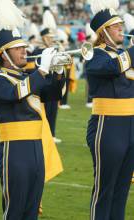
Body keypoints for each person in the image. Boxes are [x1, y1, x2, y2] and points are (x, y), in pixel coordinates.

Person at [0, 26, 65, 219]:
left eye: (24, 47)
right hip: (13, 150)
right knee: (15, 209)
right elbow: (16, 93)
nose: (24, 51)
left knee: (31, 210)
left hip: (36, 149)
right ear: (4, 55)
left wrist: (57, 72)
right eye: (18, 48)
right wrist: (42, 70)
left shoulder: (27, 79)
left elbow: (52, 93)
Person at [85, 1, 134, 219]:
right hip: (108, 125)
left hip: (130, 125)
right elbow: (110, 67)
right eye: (116, 26)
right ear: (103, 31)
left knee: (122, 189)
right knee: (105, 189)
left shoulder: (124, 53)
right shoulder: (95, 54)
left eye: (121, 25)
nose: (121, 29)